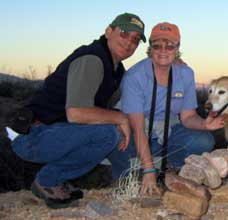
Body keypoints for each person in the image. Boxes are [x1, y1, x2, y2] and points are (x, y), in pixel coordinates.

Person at [10, 12, 146, 209]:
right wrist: (120, 118)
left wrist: (172, 66)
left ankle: (129, 181)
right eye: (124, 33)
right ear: (109, 31)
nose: (129, 43)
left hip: (54, 133)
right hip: (33, 135)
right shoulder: (92, 58)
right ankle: (48, 180)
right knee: (109, 134)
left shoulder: (116, 69)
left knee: (118, 131)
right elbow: (76, 113)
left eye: (135, 40)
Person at [109, 22, 225, 196]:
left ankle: (165, 168)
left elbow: (187, 117)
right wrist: (149, 171)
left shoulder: (185, 74)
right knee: (114, 138)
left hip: (168, 133)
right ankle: (145, 168)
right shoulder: (135, 76)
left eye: (169, 45)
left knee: (204, 141)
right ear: (150, 48)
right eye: (157, 45)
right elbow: (137, 128)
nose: (163, 50)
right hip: (137, 132)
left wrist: (204, 125)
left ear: (177, 47)